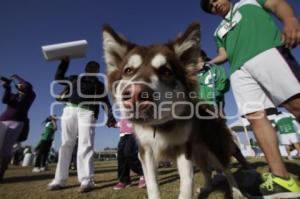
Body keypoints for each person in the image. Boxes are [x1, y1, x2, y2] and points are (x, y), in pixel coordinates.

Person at [200, 0, 300, 197]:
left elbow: (278, 4)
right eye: (210, 6)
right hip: (239, 71)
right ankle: (282, 180)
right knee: (255, 118)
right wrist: (207, 63)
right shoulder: (218, 31)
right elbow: (224, 54)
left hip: (266, 53)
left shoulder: (248, 2)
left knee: (296, 105)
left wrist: (289, 20)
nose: (215, 5)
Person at [48, 58, 117, 193]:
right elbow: (58, 77)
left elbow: (106, 102)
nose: (92, 69)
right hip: (70, 109)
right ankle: (59, 180)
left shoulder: (99, 85)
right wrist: (64, 62)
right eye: (90, 67)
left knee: (85, 144)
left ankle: (87, 180)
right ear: (86, 69)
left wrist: (110, 117)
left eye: (95, 68)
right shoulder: (75, 78)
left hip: (88, 112)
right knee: (66, 144)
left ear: (97, 71)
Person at [195, 50, 251, 170]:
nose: (194, 61)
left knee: (223, 137)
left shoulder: (214, 68)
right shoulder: (191, 75)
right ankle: (219, 170)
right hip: (197, 110)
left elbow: (223, 84)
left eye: (196, 58)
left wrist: (214, 101)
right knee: (205, 140)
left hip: (214, 107)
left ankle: (244, 164)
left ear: (202, 57)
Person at [0, 74, 35, 182]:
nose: (20, 84)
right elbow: (5, 100)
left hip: (17, 123)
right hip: (3, 120)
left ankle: (1, 172)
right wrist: (7, 88)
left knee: (6, 148)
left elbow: (28, 86)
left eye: (22, 84)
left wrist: (16, 77)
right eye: (19, 84)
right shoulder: (13, 96)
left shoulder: (30, 96)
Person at [113, 119, 145, 190]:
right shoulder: (123, 113)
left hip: (133, 133)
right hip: (123, 135)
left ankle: (144, 173)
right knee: (121, 157)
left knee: (129, 153)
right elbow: (121, 123)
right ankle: (124, 180)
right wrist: (113, 124)